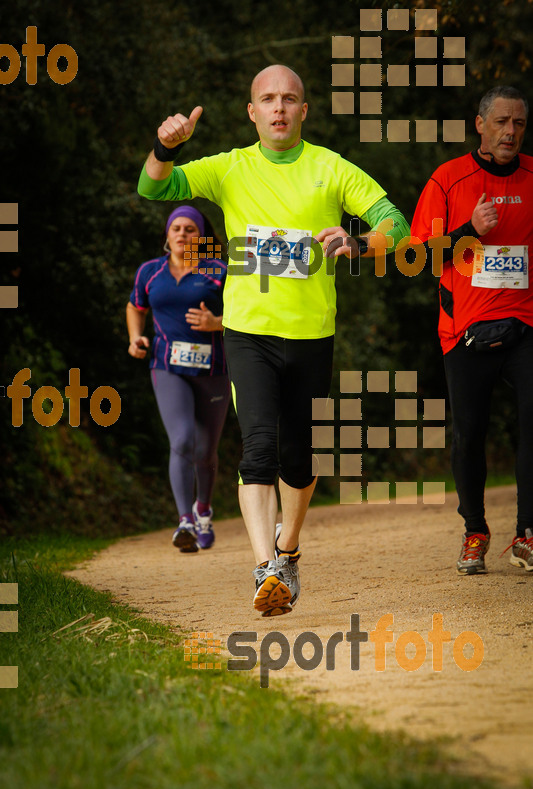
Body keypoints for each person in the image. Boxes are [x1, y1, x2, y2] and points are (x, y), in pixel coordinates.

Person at [138, 64, 409, 615]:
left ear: (304, 111)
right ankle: (265, 570)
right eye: (268, 99)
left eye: (289, 99)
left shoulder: (330, 169)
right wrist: (164, 148)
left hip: (310, 333)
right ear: (252, 112)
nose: (279, 108)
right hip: (247, 332)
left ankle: (289, 550)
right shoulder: (229, 168)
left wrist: (357, 244)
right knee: (258, 446)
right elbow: (152, 186)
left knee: (298, 456)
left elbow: (395, 224)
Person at [410, 86, 533, 575]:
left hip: (526, 324)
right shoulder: (447, 180)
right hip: (465, 332)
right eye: (501, 121)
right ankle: (475, 531)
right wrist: (469, 231)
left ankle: (527, 533)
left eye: (519, 123)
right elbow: (416, 258)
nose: (510, 132)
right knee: (469, 435)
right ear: (479, 125)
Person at [127, 206, 230, 553]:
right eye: (176, 228)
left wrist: (217, 322)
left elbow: (246, 313)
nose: (182, 234)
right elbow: (135, 306)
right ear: (167, 235)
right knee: (183, 440)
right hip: (166, 366)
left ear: (201, 237)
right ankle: (184, 520)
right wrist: (136, 337)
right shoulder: (150, 272)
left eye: (190, 229)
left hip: (214, 369)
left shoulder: (219, 272)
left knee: (205, 449)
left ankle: (204, 509)